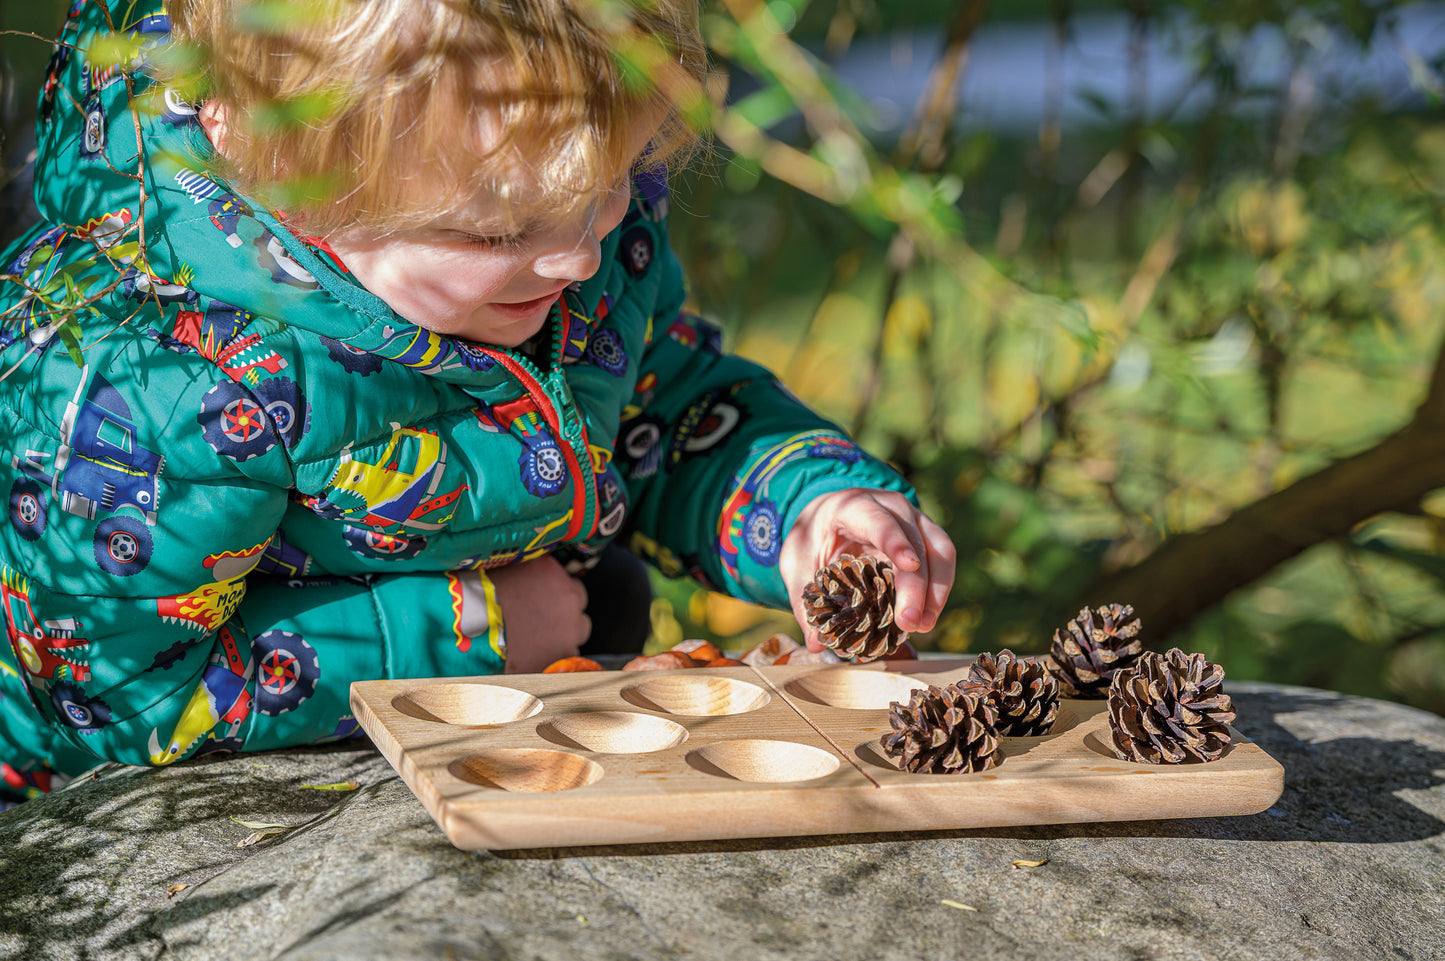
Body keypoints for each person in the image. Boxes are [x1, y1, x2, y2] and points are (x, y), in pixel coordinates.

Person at [0, 0, 955, 805]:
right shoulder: (171, 389)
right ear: (285, 173)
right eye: (497, 226)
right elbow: (120, 700)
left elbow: (660, 412)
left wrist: (805, 507)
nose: (577, 255)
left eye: (611, 181)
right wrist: (468, 634)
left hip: (519, 660)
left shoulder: (548, 258)